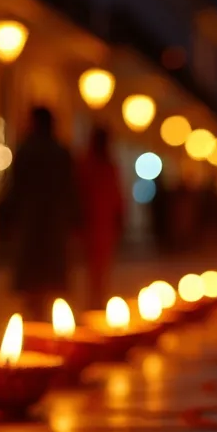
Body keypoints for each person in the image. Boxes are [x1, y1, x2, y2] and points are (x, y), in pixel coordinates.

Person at [0, 107, 79, 319]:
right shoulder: (60, 152)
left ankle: (35, 315)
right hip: (53, 220)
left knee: (33, 271)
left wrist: (7, 216)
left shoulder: (27, 150)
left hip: (32, 218)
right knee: (47, 271)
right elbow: (70, 188)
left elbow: (15, 187)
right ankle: (40, 315)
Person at [76, 126, 123, 307]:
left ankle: (97, 301)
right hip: (94, 222)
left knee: (99, 266)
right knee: (94, 266)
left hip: (102, 223)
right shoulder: (91, 164)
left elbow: (116, 195)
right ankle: (94, 301)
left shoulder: (104, 165)